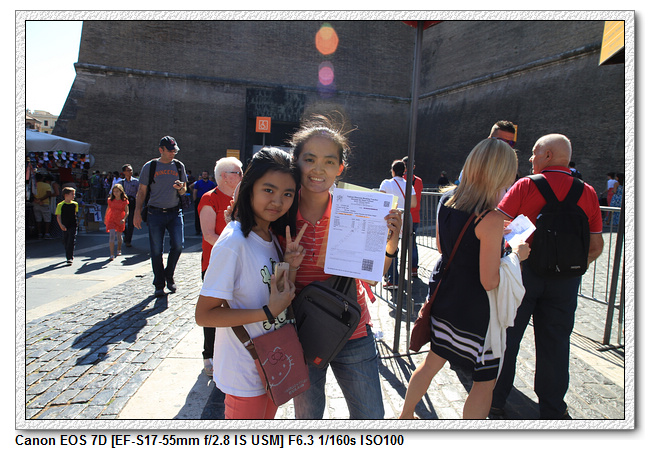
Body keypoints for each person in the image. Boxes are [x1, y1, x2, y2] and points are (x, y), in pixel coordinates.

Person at [399, 138, 529, 420]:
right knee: (484, 383)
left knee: (431, 364)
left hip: (446, 298)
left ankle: (406, 415)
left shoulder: (447, 200)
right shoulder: (491, 218)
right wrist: (516, 255)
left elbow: (443, 248)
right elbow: (489, 281)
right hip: (476, 313)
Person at [286, 114, 403, 420]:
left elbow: (373, 277)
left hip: (352, 326)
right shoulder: (281, 211)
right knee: (307, 421)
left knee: (370, 418)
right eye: (309, 159)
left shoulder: (357, 209)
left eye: (329, 161)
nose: (318, 169)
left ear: (340, 168)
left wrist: (390, 243)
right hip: (301, 332)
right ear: (296, 162)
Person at [490, 134, 604, 420]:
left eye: (534, 153)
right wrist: (567, 267)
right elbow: (596, 246)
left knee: (507, 338)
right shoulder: (588, 192)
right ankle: (553, 408)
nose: (531, 158)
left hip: (523, 275)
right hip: (565, 283)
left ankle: (494, 401)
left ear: (549, 156)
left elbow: (495, 226)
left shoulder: (526, 185)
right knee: (556, 344)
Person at [195, 148, 305, 420]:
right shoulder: (233, 242)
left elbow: (276, 296)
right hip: (244, 369)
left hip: (272, 363)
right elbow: (204, 315)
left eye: (287, 194)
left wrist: (290, 266)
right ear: (249, 188)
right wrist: (266, 312)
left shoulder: (269, 236)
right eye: (268, 190)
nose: (277, 201)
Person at [197, 157, 243, 377]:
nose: (242, 175)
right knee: (213, 312)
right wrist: (236, 248)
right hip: (215, 263)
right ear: (224, 176)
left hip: (238, 263)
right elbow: (208, 235)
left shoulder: (242, 199)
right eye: (238, 172)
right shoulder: (210, 198)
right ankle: (209, 355)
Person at [134, 136, 188, 297]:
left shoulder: (179, 166)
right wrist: (137, 212)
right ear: (161, 150)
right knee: (156, 250)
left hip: (175, 212)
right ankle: (159, 283)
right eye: (170, 151)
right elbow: (141, 192)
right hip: (155, 213)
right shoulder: (150, 167)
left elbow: (184, 190)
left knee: (178, 245)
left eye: (174, 151)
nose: (173, 153)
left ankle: (169, 275)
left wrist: (180, 188)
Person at [379, 159, 416, 289]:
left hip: (390, 219)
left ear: (393, 171)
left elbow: (380, 200)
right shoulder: (409, 185)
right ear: (404, 171)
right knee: (399, 247)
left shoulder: (386, 183)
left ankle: (393, 279)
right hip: (405, 220)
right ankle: (394, 276)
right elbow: (413, 203)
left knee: (390, 248)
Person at [403, 156, 423, 277]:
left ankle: (393, 273)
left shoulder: (401, 180)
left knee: (394, 243)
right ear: (413, 167)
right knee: (412, 244)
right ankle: (413, 269)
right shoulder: (418, 181)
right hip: (414, 217)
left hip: (402, 216)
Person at [111, 164, 139, 247]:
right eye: (128, 170)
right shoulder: (120, 183)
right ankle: (126, 234)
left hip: (132, 203)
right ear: (124, 172)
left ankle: (128, 240)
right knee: (121, 221)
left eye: (131, 170)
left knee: (131, 223)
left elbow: (139, 194)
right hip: (122, 204)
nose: (130, 172)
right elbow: (115, 193)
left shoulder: (136, 182)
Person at [104, 184, 129, 260]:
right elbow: (108, 209)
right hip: (111, 219)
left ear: (121, 192)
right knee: (112, 235)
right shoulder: (110, 200)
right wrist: (105, 218)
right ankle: (111, 254)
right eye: (114, 191)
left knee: (119, 235)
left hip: (120, 219)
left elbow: (127, 211)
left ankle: (119, 249)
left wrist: (124, 219)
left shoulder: (124, 201)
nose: (115, 193)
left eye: (117, 191)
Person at [55, 187, 79, 265]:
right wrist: (61, 225)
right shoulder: (60, 205)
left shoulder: (75, 204)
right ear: (66, 195)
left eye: (74, 194)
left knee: (71, 240)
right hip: (65, 224)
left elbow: (75, 214)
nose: (73, 196)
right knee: (66, 240)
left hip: (73, 224)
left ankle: (69, 257)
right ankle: (68, 252)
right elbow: (58, 216)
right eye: (72, 194)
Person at [193, 170, 217, 234]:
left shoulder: (211, 183)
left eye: (205, 174)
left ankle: (207, 230)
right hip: (199, 199)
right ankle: (198, 230)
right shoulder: (198, 183)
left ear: (208, 175)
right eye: (203, 174)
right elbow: (195, 191)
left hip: (208, 201)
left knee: (208, 216)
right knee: (197, 215)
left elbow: (214, 192)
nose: (204, 175)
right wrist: (195, 200)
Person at [33, 173, 53, 239]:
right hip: (45, 203)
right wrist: (41, 199)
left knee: (38, 219)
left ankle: (39, 233)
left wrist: (37, 199)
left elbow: (32, 194)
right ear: (42, 178)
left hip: (36, 203)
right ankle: (46, 233)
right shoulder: (47, 185)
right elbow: (48, 194)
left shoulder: (34, 185)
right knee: (47, 219)